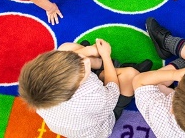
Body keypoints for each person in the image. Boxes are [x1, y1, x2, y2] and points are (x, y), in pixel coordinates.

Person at [19, 39, 153, 138]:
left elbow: (69, 59)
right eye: (82, 69)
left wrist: (89, 51)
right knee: (130, 74)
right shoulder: (91, 93)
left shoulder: (38, 92)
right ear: (77, 86)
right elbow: (112, 90)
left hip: (74, 122)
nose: (85, 60)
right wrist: (105, 56)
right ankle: (114, 68)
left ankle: (105, 68)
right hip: (101, 121)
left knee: (65, 48)